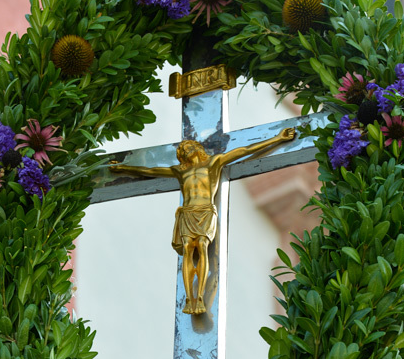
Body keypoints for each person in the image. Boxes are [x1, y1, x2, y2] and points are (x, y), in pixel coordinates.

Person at [110, 126, 295, 314]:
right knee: (188, 249)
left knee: (202, 245)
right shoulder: (180, 171)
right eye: (183, 150)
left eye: (189, 147)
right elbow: (150, 171)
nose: (186, 151)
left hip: (205, 211)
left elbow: (244, 151)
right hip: (188, 212)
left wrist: (278, 138)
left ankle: (199, 297)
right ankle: (189, 299)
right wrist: (124, 168)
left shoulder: (213, 163)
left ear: (197, 148)